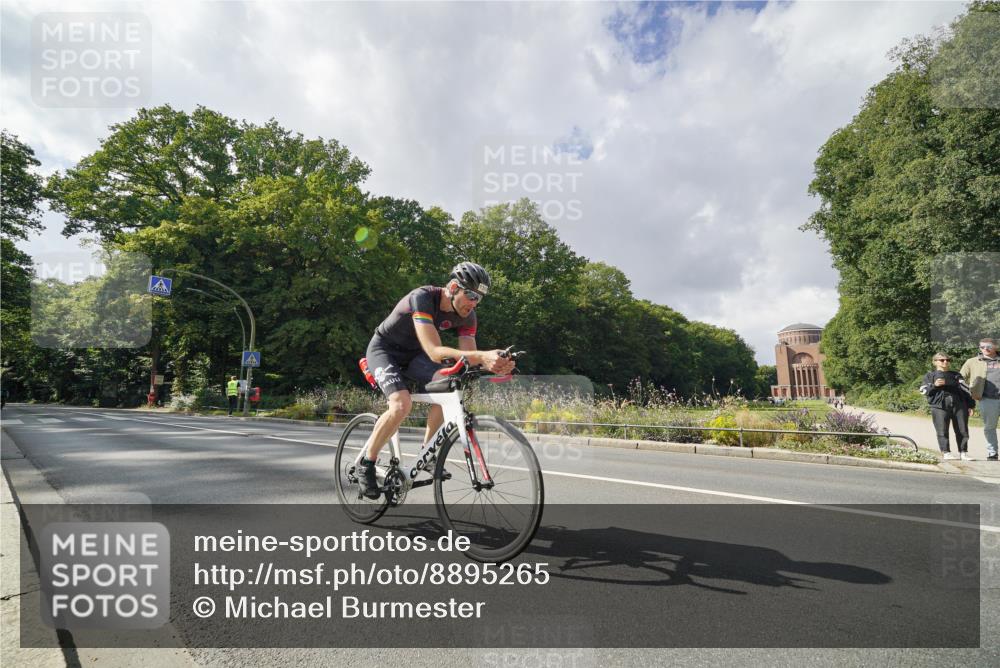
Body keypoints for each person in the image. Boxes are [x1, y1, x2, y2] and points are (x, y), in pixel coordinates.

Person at [358, 262, 515, 499]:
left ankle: (427, 452)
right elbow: (433, 350)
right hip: (384, 350)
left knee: (450, 385)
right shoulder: (422, 298)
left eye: (479, 299)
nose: (474, 303)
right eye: (470, 295)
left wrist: (494, 364)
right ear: (453, 287)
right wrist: (482, 355)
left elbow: (470, 358)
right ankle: (366, 464)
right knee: (401, 404)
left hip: (414, 356)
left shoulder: (468, 317)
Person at [920, 353, 975, 461]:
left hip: (959, 405)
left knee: (962, 429)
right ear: (935, 362)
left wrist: (971, 405)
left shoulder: (956, 375)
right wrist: (934, 385)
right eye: (942, 360)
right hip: (939, 406)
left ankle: (963, 452)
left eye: (948, 360)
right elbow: (923, 391)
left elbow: (966, 390)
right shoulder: (929, 375)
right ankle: (946, 452)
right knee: (942, 430)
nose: (945, 362)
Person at [960, 338, 999, 461]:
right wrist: (970, 391)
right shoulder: (972, 362)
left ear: (996, 347)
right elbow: (959, 378)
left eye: (988, 346)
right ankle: (993, 453)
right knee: (990, 427)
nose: (985, 349)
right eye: (982, 347)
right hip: (988, 399)